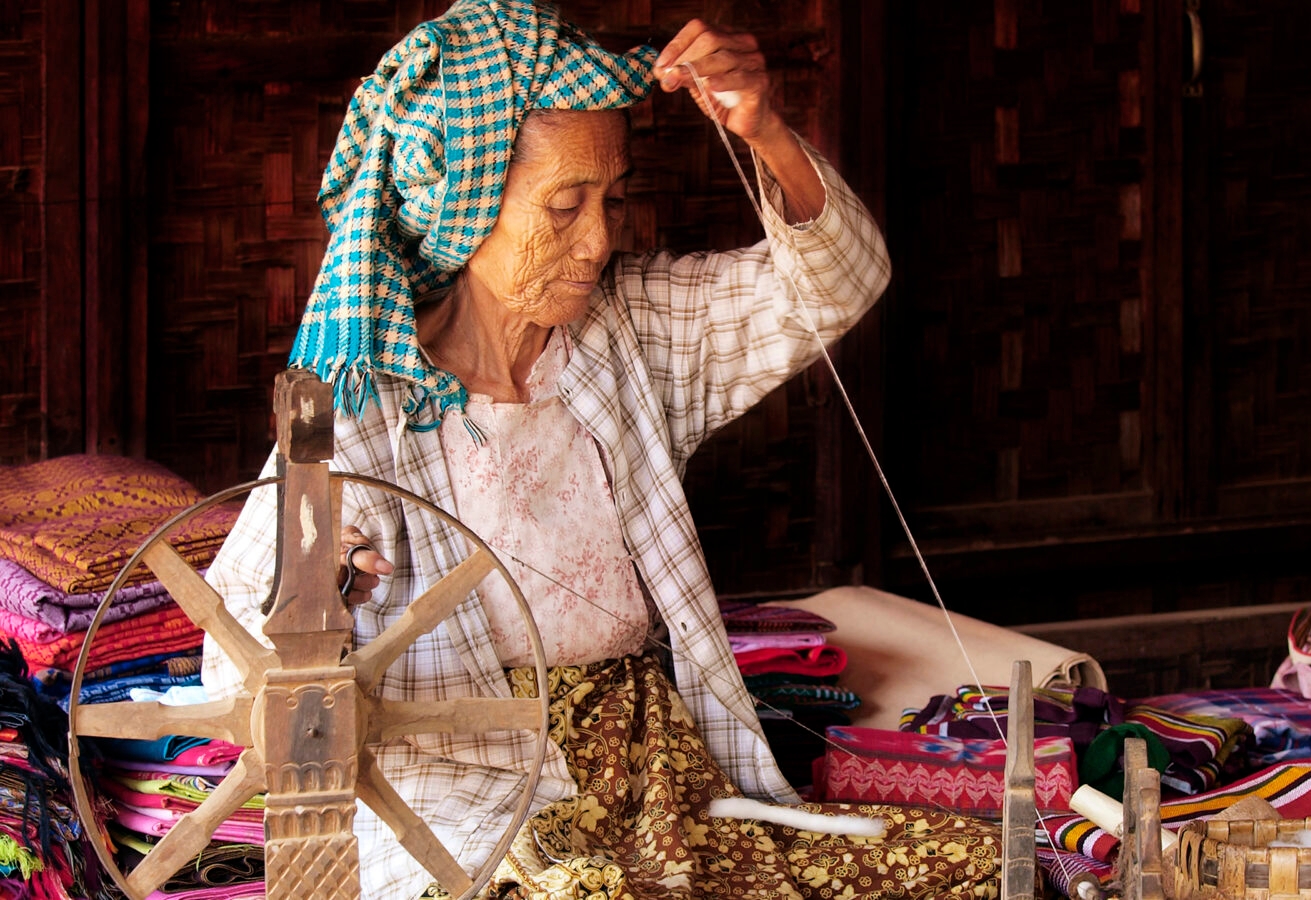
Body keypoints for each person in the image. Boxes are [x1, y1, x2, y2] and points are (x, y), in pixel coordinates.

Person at [202, 2, 1007, 897]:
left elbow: (839, 281)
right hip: (478, 802)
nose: (598, 240)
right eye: (563, 205)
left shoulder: (626, 330)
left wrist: (765, 131)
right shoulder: (363, 402)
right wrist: (320, 597)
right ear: (460, 209)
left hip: (661, 777)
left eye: (611, 199)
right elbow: (233, 656)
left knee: (974, 864)